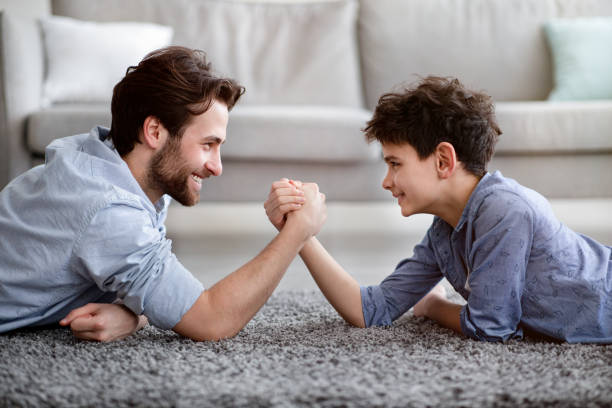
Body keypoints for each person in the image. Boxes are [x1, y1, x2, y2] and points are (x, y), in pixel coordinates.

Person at [0, 46, 326, 342]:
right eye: (207, 144)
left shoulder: (104, 159)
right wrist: (297, 232)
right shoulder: (110, 210)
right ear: (155, 132)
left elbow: (150, 285)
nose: (217, 167)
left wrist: (134, 313)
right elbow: (211, 319)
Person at [265, 76, 612, 343]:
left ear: (444, 160)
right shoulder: (445, 232)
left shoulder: (504, 210)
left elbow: (490, 329)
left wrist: (432, 306)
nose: (386, 181)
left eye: (395, 163)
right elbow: (371, 310)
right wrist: (301, 233)